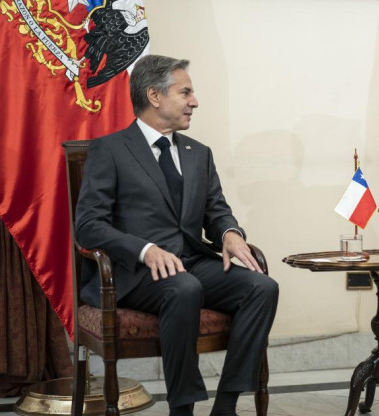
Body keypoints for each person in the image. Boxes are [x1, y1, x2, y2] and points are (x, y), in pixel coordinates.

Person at [75, 55, 279, 416]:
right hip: (136, 273)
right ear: (154, 96)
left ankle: (226, 405)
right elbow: (89, 225)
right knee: (184, 288)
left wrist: (230, 233)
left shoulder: (198, 153)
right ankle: (182, 408)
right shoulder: (110, 150)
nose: (194, 101)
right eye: (185, 92)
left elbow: (216, 211)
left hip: (192, 262)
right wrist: (145, 250)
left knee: (262, 286)